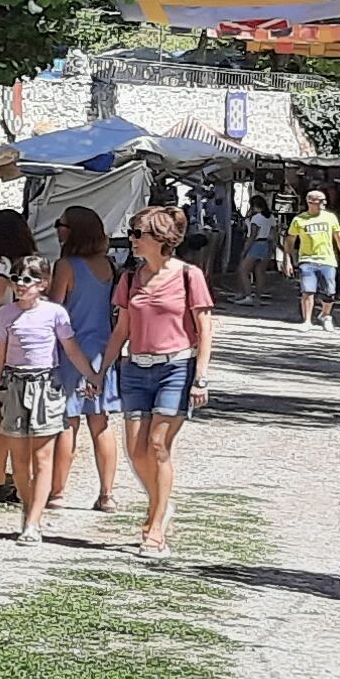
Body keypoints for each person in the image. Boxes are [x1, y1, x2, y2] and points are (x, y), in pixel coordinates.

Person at [110, 207, 220, 555]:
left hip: (176, 368)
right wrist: (98, 370)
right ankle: (161, 501)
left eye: (137, 233)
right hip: (135, 369)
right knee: (134, 449)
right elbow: (122, 330)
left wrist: (200, 378)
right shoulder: (129, 279)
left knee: (158, 445)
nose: (132, 239)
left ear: (160, 239)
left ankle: (156, 527)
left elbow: (205, 329)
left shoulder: (190, 276)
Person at [0, 261, 101, 542]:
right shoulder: (5, 314)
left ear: (42, 284)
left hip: (45, 386)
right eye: (16, 278)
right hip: (15, 384)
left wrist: (92, 375)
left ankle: (33, 522)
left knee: (42, 458)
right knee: (18, 461)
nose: (20, 284)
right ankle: (29, 510)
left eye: (28, 279)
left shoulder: (55, 313)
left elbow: (72, 350)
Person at [45, 206, 126, 514]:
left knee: (68, 423)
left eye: (61, 224)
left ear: (72, 231)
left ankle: (57, 492)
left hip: (71, 353)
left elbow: (55, 309)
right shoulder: (109, 267)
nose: (57, 229)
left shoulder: (65, 266)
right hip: (103, 355)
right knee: (101, 423)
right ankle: (107, 494)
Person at [287, 187, 340, 327]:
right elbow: (290, 241)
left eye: (325, 201)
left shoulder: (331, 218)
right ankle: (307, 321)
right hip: (307, 259)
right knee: (308, 291)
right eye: (321, 201)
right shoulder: (299, 220)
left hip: (327, 260)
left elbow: (339, 238)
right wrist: (287, 260)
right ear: (310, 202)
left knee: (329, 293)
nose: (324, 204)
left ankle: (325, 314)